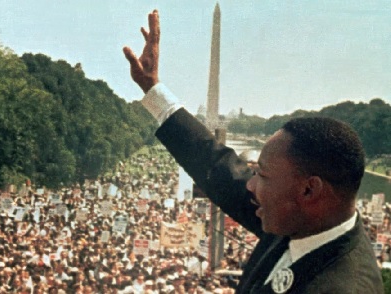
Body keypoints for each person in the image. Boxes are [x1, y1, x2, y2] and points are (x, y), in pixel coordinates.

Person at [123, 10, 384, 293]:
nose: (249, 184)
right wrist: (152, 88)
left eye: (262, 175)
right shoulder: (304, 221)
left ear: (309, 190)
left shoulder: (341, 285)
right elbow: (218, 167)